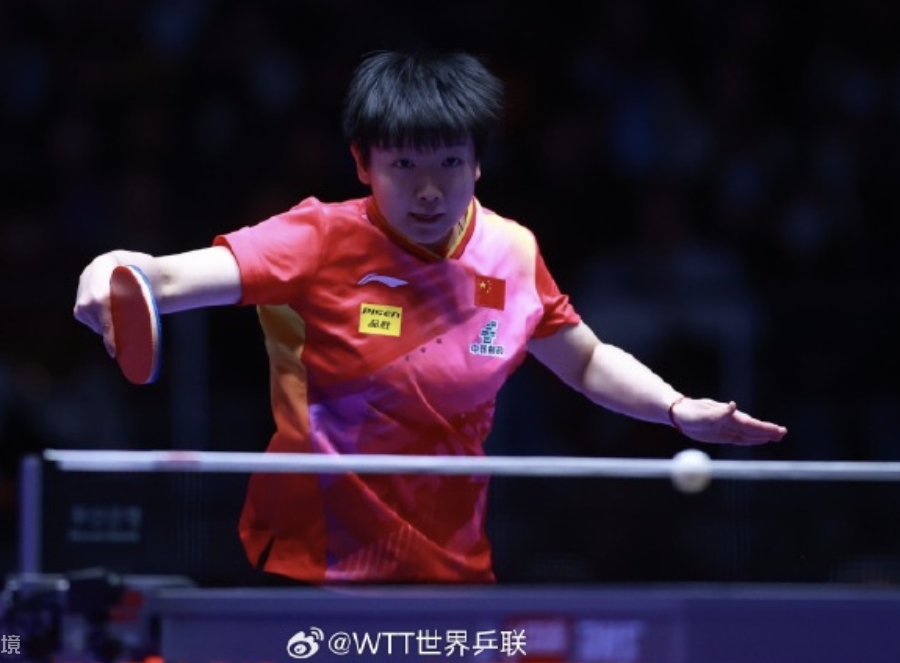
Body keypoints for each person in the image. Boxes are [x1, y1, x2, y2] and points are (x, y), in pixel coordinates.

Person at [73, 50, 786, 585]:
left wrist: (675, 408)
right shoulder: (318, 239)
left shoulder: (511, 251)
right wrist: (109, 270)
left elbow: (587, 359)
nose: (427, 190)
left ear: (477, 164)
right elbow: (165, 277)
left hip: (452, 570)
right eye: (404, 165)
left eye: (448, 162)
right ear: (363, 162)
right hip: (312, 565)